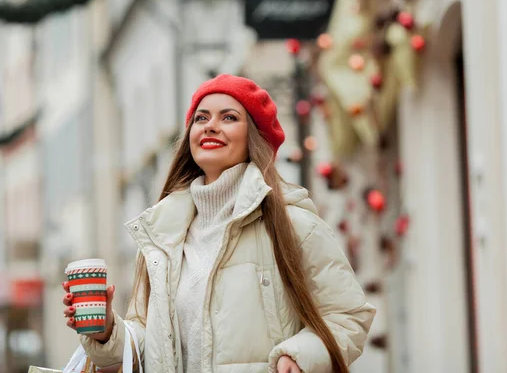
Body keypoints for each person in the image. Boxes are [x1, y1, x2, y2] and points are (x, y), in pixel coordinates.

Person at [62, 74, 376, 373]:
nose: (211, 126)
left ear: (254, 136)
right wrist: (106, 330)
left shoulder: (294, 224)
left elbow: (348, 316)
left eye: (228, 117)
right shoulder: (161, 238)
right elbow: (152, 348)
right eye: (201, 118)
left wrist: (299, 355)